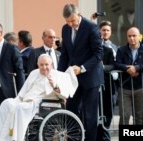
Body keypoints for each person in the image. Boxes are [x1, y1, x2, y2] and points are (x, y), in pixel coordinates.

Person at [0, 54, 78, 141]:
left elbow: (63, 96)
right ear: (38, 65)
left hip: (41, 102)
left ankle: (16, 138)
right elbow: (24, 90)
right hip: (26, 99)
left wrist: (54, 86)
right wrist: (19, 99)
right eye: (41, 65)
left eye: (46, 64)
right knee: (6, 103)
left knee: (20, 108)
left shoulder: (57, 75)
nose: (44, 67)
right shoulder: (34, 73)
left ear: (51, 65)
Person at [58, 4, 104, 141]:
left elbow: (98, 54)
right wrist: (60, 76)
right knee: (71, 112)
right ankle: (74, 139)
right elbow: (64, 54)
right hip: (73, 79)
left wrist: (82, 67)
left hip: (90, 78)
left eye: (73, 20)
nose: (71, 24)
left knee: (89, 115)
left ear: (79, 14)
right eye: (68, 21)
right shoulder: (65, 29)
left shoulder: (91, 27)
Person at [115, 27, 143, 125]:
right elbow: (117, 63)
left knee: (139, 117)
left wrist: (136, 68)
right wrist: (127, 69)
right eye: (129, 36)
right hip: (125, 88)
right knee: (125, 115)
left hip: (140, 87)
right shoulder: (121, 50)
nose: (132, 38)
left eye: (134, 36)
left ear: (139, 36)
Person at [97, 21, 119, 141]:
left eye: (107, 30)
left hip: (112, 85)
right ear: (99, 31)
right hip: (99, 84)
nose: (105, 32)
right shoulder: (96, 46)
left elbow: (115, 65)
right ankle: (103, 137)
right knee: (99, 112)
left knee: (109, 112)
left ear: (110, 32)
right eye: (103, 30)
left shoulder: (115, 47)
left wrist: (103, 67)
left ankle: (104, 134)